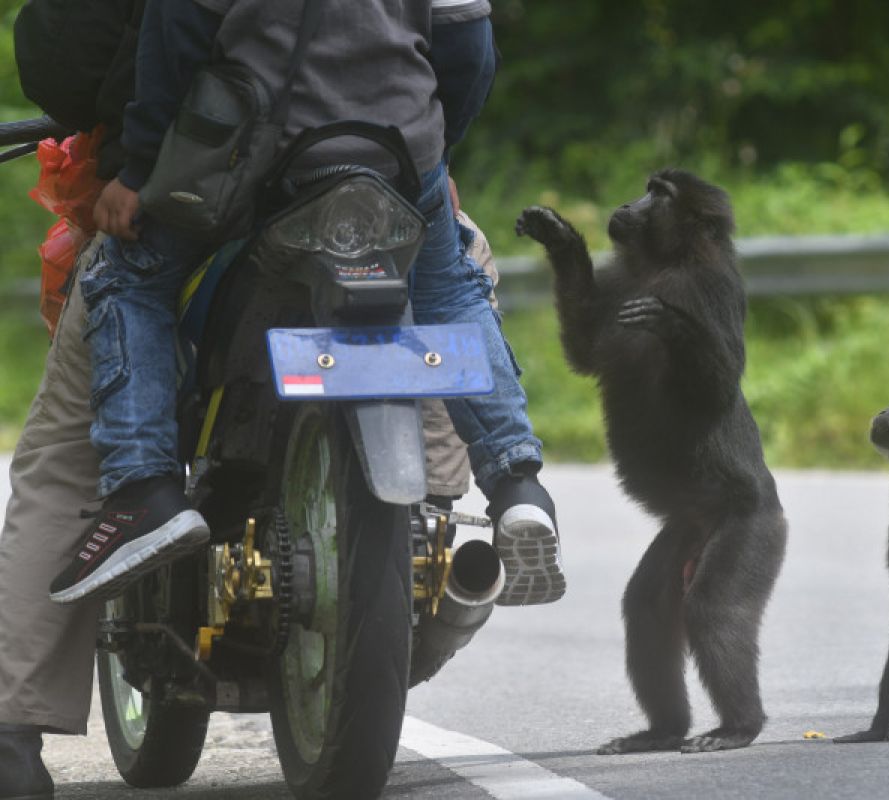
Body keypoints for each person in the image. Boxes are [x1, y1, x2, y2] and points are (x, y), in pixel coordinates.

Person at [0, 2, 561, 796]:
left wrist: (127, 152)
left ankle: (14, 732)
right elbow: (467, 50)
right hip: (392, 167)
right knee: (459, 278)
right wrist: (429, 146)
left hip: (213, 179)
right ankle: (474, 502)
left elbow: (77, 56)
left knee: (66, 442)